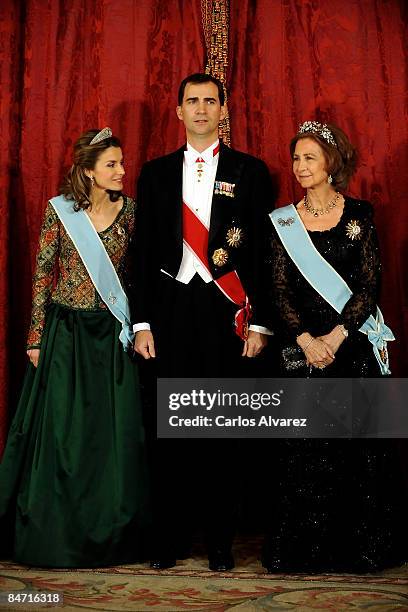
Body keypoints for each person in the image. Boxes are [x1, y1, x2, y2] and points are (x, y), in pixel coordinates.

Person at [131, 73, 274, 571]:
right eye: (192, 101)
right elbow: (143, 254)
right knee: (170, 429)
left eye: (210, 101)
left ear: (223, 111)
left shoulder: (251, 172)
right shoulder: (154, 173)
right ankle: (170, 538)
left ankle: (220, 541)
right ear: (178, 111)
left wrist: (260, 324)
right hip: (170, 312)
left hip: (226, 313)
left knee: (222, 430)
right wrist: (141, 322)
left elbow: (262, 252)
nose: (200, 109)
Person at [0, 128, 150, 567]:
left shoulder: (134, 213)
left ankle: (113, 535)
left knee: (112, 436)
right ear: (87, 171)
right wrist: (34, 337)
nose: (122, 171)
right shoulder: (60, 212)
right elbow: (43, 272)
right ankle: (59, 531)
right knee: (64, 435)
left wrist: (140, 326)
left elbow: (138, 278)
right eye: (111, 164)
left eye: (122, 163)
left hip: (112, 334)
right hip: (65, 334)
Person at [262, 120, 406, 573]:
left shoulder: (360, 215)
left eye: (310, 158)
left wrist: (337, 336)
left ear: (331, 164)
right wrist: (306, 340)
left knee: (358, 453)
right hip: (302, 348)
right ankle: (305, 551)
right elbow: (278, 292)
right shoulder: (283, 221)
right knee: (306, 451)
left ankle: (360, 549)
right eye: (296, 158)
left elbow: (369, 286)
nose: (300, 166)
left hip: (352, 344)